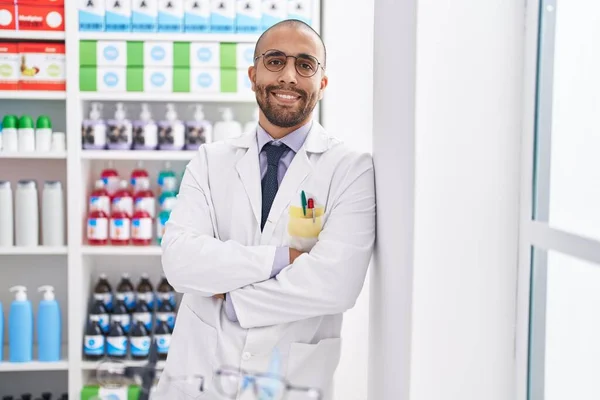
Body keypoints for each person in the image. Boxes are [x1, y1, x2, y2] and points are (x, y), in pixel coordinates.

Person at [157, 19, 376, 399]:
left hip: (290, 382)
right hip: (198, 379)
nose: (289, 76)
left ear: (322, 83)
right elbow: (179, 262)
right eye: (275, 61)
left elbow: (336, 284)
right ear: (253, 73)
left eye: (305, 65)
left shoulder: (349, 168)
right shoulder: (211, 161)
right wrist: (283, 259)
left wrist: (232, 300)